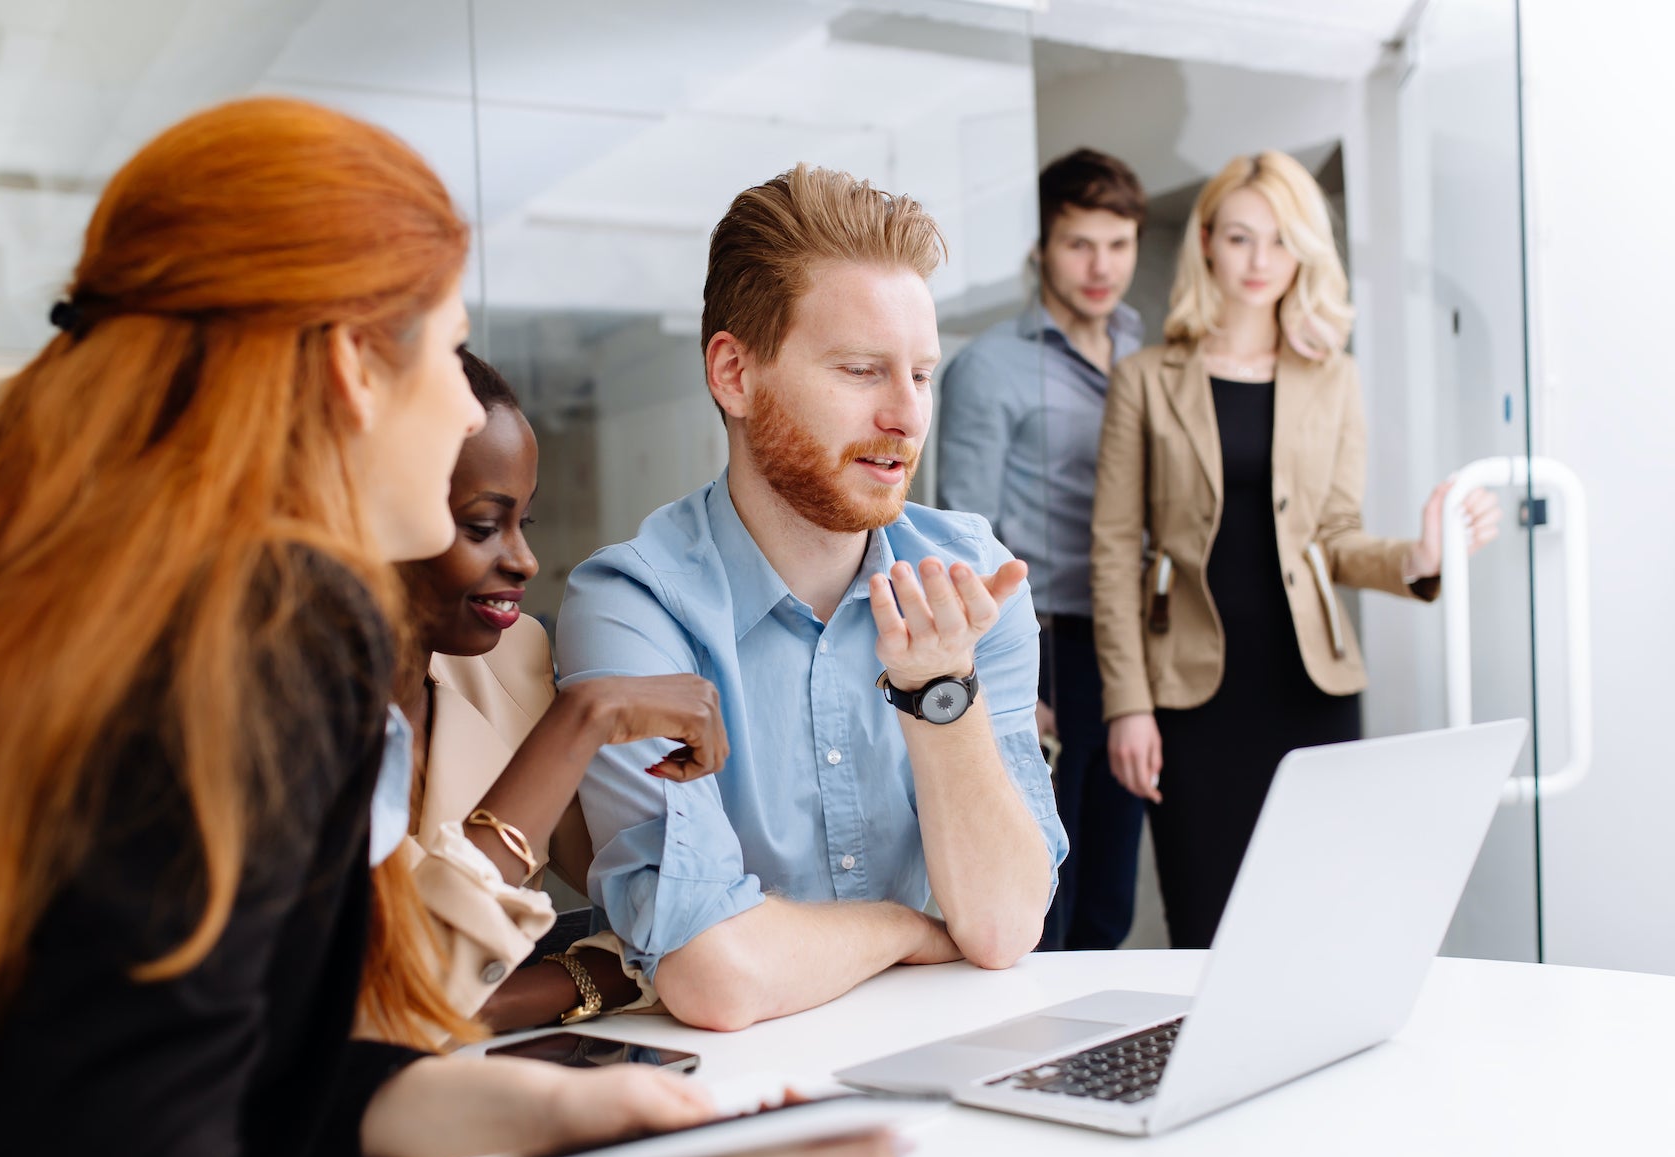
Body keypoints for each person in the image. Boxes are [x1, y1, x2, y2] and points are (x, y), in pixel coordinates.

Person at [0, 99, 900, 1157]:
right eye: (448, 353)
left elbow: (166, 1090)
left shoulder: (39, 594)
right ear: (347, 369)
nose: (465, 415)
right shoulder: (265, 635)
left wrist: (532, 1110)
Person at [556, 164, 1069, 1034]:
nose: (907, 416)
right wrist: (910, 928)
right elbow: (716, 974)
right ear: (734, 374)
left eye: (923, 374)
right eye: (864, 369)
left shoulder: (974, 582)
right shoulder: (634, 606)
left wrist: (939, 690)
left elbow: (1002, 926)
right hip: (747, 1096)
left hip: (959, 1054)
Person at [1090, 150, 1503, 948]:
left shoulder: (1332, 377)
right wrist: (1129, 705)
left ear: (1303, 252)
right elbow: (1111, 553)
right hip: (1188, 699)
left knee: (1317, 924)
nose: (1259, 261)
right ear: (1207, 241)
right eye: (1241, 238)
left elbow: (1336, 538)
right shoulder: (1144, 379)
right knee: (1206, 926)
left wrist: (1421, 556)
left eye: (1280, 241)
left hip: (1306, 687)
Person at [387, 349, 691, 1033]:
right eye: (481, 525)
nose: (524, 560)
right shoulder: (263, 718)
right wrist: (584, 717)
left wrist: (500, 1000)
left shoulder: (512, 654)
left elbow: (657, 923)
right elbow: (401, 997)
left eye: (525, 522)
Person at [935, 147, 1151, 952]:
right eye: (1079, 244)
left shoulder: (1145, 352)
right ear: (1041, 249)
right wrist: (1006, 677)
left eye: (1118, 244)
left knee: (1111, 893)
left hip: (1126, 646)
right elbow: (966, 531)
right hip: (1043, 642)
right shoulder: (991, 366)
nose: (1101, 267)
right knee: (1043, 895)